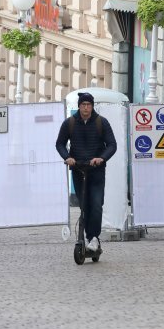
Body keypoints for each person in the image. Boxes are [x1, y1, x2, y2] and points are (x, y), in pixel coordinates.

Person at [55, 92, 117, 253]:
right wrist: (67, 157)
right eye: (83, 105)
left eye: (89, 105)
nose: (86, 108)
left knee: (96, 205)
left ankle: (94, 238)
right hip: (78, 170)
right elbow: (60, 144)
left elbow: (112, 145)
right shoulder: (69, 123)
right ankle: (86, 238)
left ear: (92, 106)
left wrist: (101, 158)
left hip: (96, 171)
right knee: (84, 206)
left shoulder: (101, 122)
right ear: (79, 106)